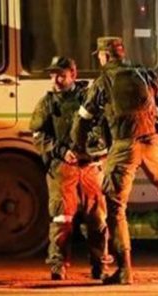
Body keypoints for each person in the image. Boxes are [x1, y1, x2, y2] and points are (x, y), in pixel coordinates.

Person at [72, 37, 158, 285]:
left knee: (116, 209)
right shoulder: (145, 73)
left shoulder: (102, 82)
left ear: (105, 56)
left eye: (99, 55)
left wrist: (79, 148)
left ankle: (125, 271)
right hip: (153, 144)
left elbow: (83, 120)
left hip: (124, 147)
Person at [29, 56, 110, 280]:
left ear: (73, 74)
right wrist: (61, 151)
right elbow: (38, 135)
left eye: (61, 75)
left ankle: (100, 265)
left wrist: (98, 152)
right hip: (62, 168)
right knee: (61, 218)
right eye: (53, 74)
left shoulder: (90, 97)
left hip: (91, 167)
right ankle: (58, 266)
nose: (56, 79)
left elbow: (104, 126)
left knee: (97, 219)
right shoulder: (48, 102)